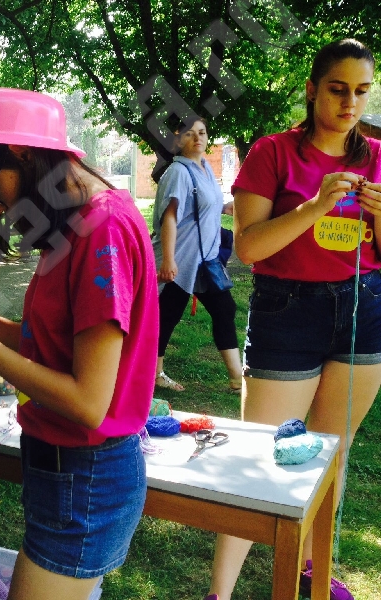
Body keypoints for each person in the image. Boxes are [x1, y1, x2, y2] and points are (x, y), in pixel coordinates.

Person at [0, 87, 159, 600]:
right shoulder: (71, 225)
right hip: (63, 468)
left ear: (23, 154)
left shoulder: (101, 231)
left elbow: (88, 402)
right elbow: (52, 345)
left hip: (86, 474)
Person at [205, 39, 381, 600]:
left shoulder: (378, 156)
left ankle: (312, 566)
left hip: (364, 307)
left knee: (333, 449)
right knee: (258, 455)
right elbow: (248, 248)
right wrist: (315, 206)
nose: (349, 103)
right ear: (312, 89)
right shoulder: (273, 152)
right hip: (288, 309)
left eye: (361, 91)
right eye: (337, 89)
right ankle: (220, 592)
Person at [151, 119, 242, 393]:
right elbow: (170, 217)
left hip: (205, 260)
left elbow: (202, 206)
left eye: (201, 132)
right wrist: (169, 260)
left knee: (224, 309)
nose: (197, 138)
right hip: (180, 258)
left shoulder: (205, 167)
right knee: (167, 315)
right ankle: (154, 374)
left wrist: (225, 208)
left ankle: (237, 379)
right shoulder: (178, 172)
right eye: (189, 134)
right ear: (178, 140)